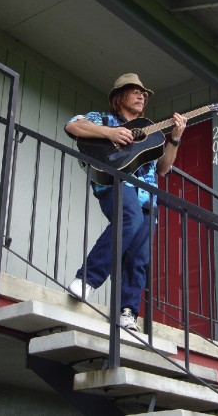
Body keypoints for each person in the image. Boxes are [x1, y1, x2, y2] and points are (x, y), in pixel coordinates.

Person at [65, 73, 187, 332]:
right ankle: (88, 278)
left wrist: (175, 137)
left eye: (144, 93)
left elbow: (163, 169)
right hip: (114, 182)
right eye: (136, 91)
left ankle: (128, 311)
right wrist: (109, 132)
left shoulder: (152, 132)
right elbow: (73, 126)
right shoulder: (103, 118)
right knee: (129, 218)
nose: (142, 96)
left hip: (148, 195)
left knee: (139, 256)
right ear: (120, 97)